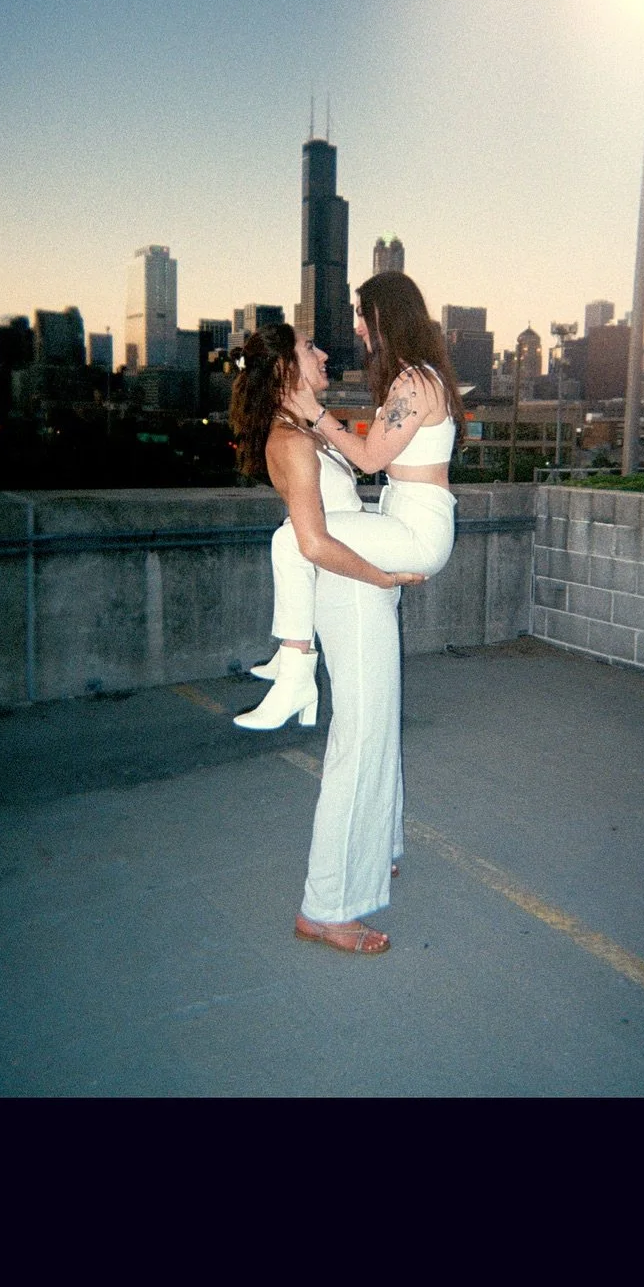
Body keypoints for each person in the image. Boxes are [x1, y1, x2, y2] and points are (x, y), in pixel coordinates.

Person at [230, 321, 432, 955]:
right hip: (348, 590)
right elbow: (312, 541)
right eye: (308, 350)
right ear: (287, 370)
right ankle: (327, 907)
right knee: (360, 738)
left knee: (380, 726)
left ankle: (378, 849)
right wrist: (384, 575)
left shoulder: (304, 430)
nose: (322, 354)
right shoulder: (288, 442)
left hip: (357, 592)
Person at [233, 270, 465, 729]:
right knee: (294, 538)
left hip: (418, 527)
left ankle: (296, 667)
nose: (357, 326)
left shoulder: (415, 383)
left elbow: (370, 458)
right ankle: (293, 663)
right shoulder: (410, 379)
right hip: (402, 515)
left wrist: (318, 416)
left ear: (387, 315)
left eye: (362, 314)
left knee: (293, 541)